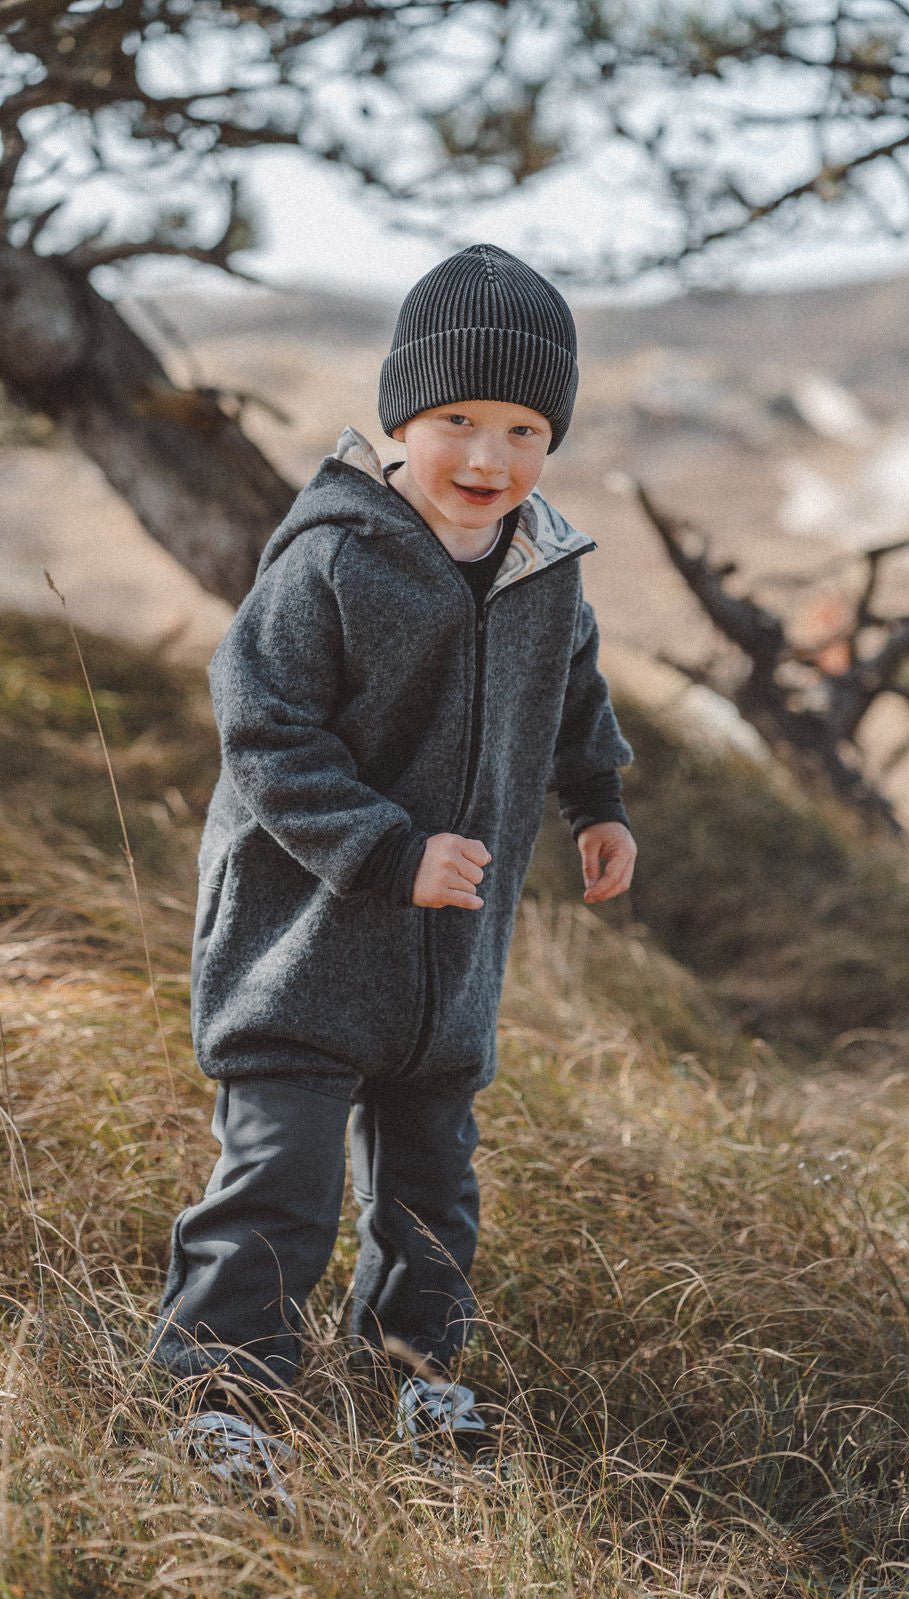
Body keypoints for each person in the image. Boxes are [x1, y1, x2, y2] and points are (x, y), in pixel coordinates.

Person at [149, 243, 637, 1478]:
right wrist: (384, 850)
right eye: (456, 420)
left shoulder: (541, 569)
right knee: (280, 1185)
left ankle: (416, 1374)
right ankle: (221, 1396)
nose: (488, 458)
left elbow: (571, 693)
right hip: (301, 951)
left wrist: (598, 800)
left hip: (443, 971)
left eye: (526, 428)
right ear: (396, 416)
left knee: (431, 1196)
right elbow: (262, 728)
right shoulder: (331, 559)